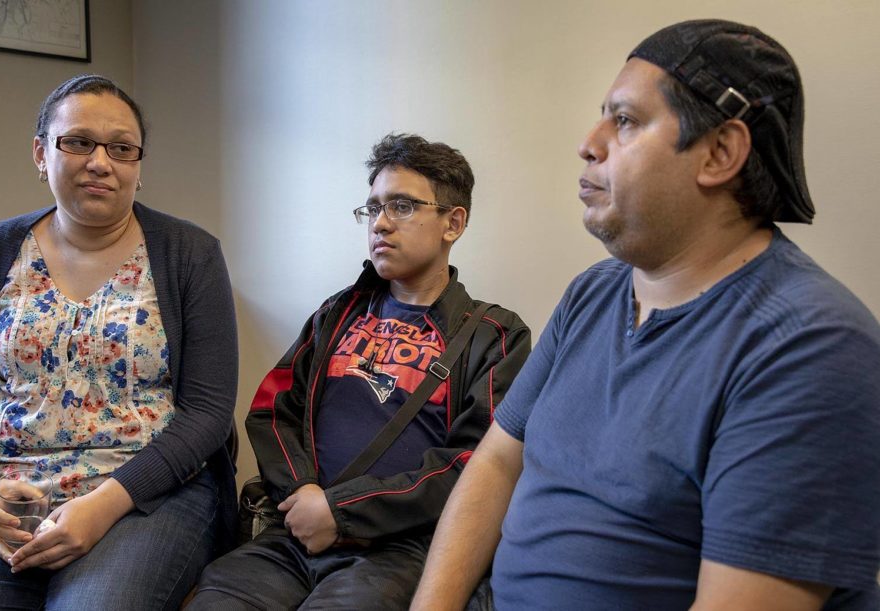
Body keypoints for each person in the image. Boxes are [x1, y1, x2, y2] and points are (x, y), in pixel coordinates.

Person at [413, 19, 880, 610]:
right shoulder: (594, 293)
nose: (589, 141)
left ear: (720, 152)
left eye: (626, 120)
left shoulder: (810, 349)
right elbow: (500, 461)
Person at [0, 75, 239, 610]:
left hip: (144, 498)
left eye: (121, 148)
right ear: (41, 153)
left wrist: (104, 504)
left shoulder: (189, 254)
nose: (100, 162)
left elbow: (209, 413)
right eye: (78, 141)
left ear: (138, 164)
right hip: (9, 498)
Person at [187, 133, 530, 609]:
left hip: (402, 550)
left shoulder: (493, 334)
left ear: (453, 223)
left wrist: (344, 511)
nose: (381, 224)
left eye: (403, 206)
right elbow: (273, 410)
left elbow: (475, 462)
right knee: (215, 600)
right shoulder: (339, 312)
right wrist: (304, 494)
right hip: (297, 534)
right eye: (373, 209)